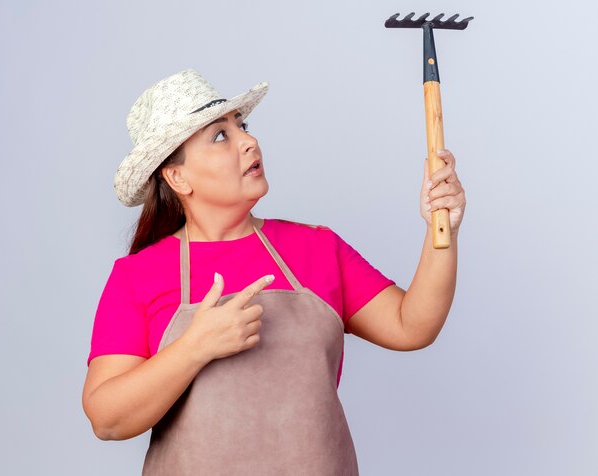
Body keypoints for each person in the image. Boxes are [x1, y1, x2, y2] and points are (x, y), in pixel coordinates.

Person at [81, 68, 466, 475]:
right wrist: (196, 347)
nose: (249, 141)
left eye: (241, 126)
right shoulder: (138, 275)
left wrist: (443, 229)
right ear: (178, 177)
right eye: (219, 136)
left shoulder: (316, 248)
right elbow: (107, 419)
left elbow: (412, 325)